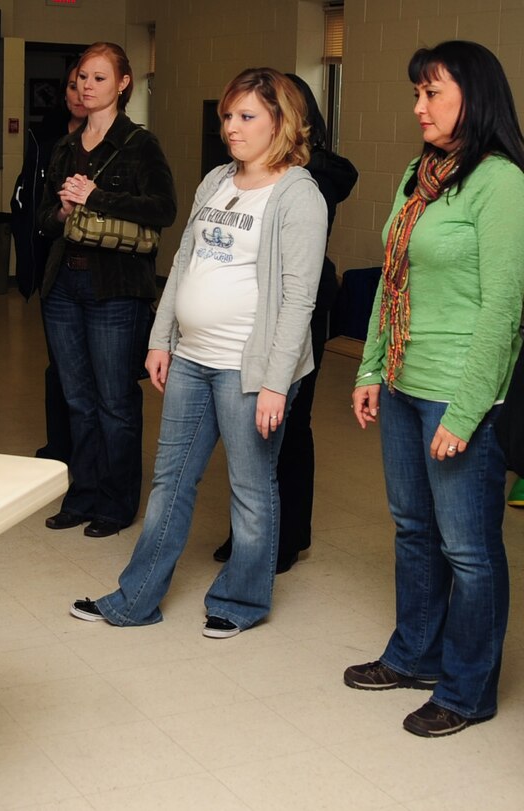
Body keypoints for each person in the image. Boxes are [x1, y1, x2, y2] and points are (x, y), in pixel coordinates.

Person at [70, 68, 327, 636]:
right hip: (192, 357)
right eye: (227, 118)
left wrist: (276, 383)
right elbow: (185, 263)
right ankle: (135, 599)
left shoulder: (297, 194)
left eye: (246, 117)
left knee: (251, 489)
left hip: (249, 367)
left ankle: (240, 603)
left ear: (281, 123)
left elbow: (298, 300)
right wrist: (163, 339)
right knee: (171, 481)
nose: (231, 128)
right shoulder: (215, 180)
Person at [344, 41, 524, 738]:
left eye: (433, 93)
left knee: (469, 549)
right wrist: (369, 369)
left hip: (459, 391)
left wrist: (469, 409)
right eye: (417, 93)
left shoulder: (501, 181)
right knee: (414, 530)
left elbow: (505, 309)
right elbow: (394, 278)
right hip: (403, 384)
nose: (418, 107)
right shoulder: (420, 175)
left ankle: (468, 688)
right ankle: (414, 655)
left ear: (473, 99)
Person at [213, 73, 358, 573]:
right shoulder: (237, 172)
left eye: (252, 114)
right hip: (253, 306)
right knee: (253, 428)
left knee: (291, 423)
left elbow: (341, 174)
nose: (238, 126)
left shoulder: (316, 173)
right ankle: (253, 533)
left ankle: (287, 536)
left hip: (302, 305)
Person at [37, 42, 177, 538]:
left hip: (116, 287)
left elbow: (163, 209)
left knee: (115, 401)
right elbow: (43, 222)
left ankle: (117, 504)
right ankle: (83, 494)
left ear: (122, 83)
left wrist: (98, 197)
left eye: (99, 77)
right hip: (64, 284)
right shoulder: (62, 146)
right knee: (76, 398)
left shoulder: (140, 143)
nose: (87, 86)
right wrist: (62, 212)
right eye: (82, 78)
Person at [11, 64, 87, 464]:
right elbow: (28, 201)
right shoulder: (44, 136)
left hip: (95, 266)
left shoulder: (117, 140)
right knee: (58, 364)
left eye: (90, 83)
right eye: (73, 84)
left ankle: (91, 452)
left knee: (91, 372)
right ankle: (60, 446)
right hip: (52, 259)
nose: (81, 92)